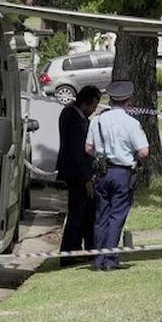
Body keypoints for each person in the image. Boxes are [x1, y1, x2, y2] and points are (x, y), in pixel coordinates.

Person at [86, 80, 150, 271]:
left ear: (110, 99)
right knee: (117, 215)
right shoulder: (131, 123)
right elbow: (144, 151)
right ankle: (110, 258)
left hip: (102, 171)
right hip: (122, 172)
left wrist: (101, 155)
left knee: (101, 215)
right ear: (128, 100)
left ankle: (98, 259)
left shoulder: (96, 121)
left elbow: (88, 148)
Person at [56, 85, 102, 267]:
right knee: (77, 213)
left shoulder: (71, 114)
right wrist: (86, 178)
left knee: (87, 212)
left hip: (77, 171)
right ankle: (69, 252)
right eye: (93, 106)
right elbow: (77, 151)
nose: (93, 111)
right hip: (76, 173)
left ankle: (86, 247)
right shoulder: (74, 119)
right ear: (85, 103)